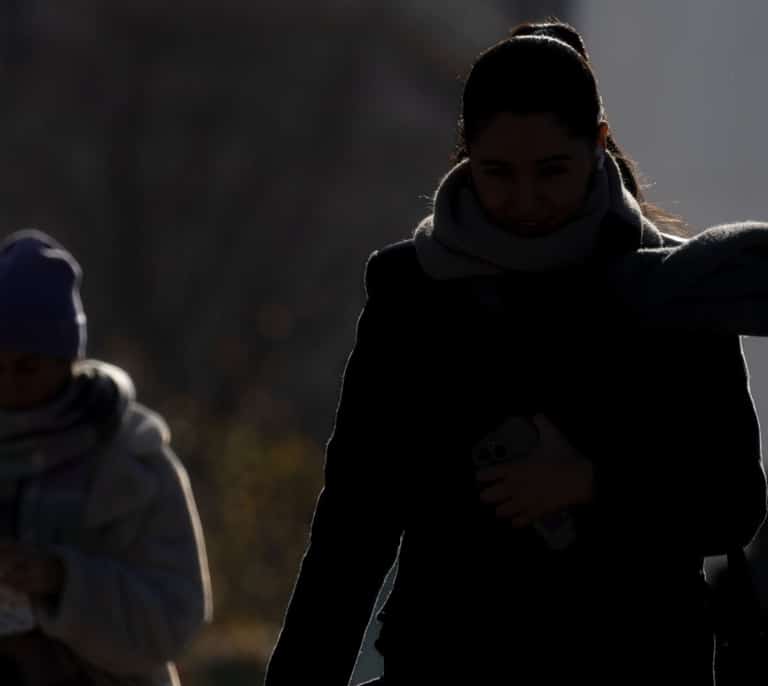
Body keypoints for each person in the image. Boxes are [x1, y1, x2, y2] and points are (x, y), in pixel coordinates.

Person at [265, 21, 767, 685]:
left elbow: (730, 501)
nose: (526, 202)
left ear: (598, 144)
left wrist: (593, 484)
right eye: (499, 174)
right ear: (464, 154)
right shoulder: (414, 297)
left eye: (551, 172)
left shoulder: (679, 289)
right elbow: (355, 523)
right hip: (450, 658)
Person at [0, 229, 212, 684]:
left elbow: (175, 619)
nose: (8, 384)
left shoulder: (136, 465)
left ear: (65, 359)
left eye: (26, 367)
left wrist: (61, 581)